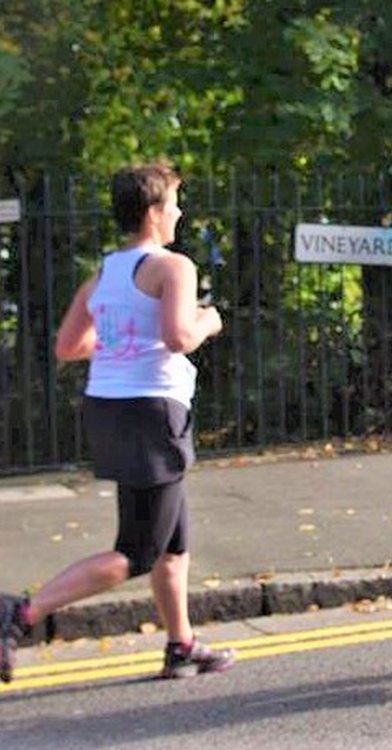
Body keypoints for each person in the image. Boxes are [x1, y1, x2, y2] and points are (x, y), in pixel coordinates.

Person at [0, 161, 235, 683]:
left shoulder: (104, 272)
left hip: (111, 406)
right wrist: (209, 320)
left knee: (173, 542)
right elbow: (178, 336)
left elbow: (69, 346)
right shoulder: (173, 267)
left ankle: (181, 645)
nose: (179, 211)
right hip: (153, 414)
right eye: (174, 201)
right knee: (138, 551)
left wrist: (123, 343)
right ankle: (19, 614)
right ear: (153, 212)